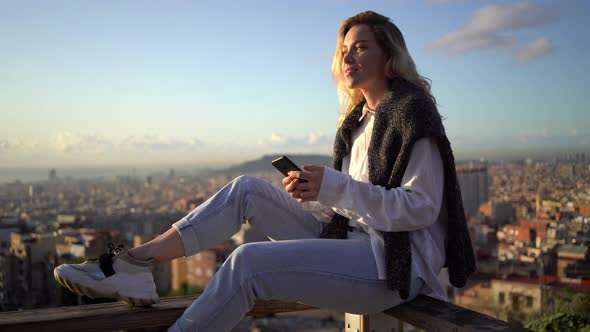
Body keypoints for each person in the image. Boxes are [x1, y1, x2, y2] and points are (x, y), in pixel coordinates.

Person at [53, 10, 476, 331]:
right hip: (350, 241)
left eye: (361, 47)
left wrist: (334, 187)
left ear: (390, 55)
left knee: (248, 262)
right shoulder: (357, 121)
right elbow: (352, 207)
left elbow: (419, 208)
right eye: (344, 50)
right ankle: (134, 266)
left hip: (392, 266)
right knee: (246, 190)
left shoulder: (412, 112)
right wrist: (317, 194)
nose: (348, 57)